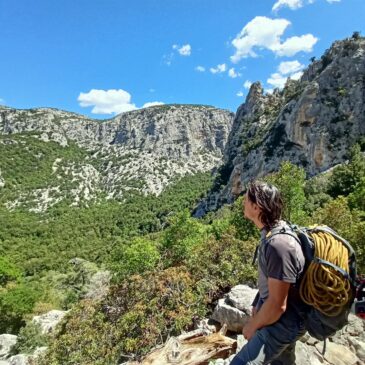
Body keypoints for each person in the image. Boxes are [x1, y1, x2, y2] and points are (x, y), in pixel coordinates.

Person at [230, 181, 306, 365]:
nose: (243, 202)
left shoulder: (278, 244)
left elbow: (278, 304)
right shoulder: (271, 233)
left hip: (283, 324)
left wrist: (252, 326)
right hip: (287, 319)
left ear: (256, 207)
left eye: (247, 199)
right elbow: (273, 281)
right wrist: (258, 302)